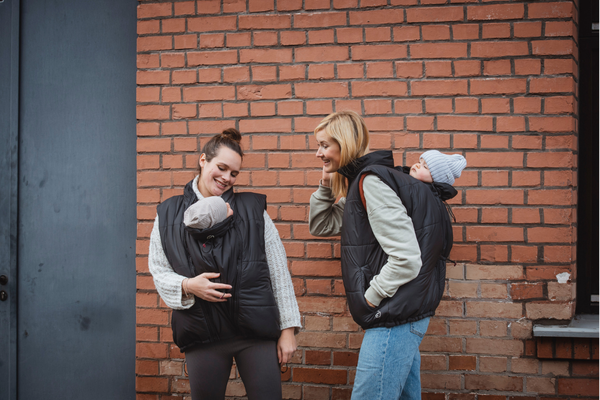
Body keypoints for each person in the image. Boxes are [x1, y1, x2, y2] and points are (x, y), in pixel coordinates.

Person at [308, 111, 463, 400]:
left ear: (344, 143)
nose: (319, 153)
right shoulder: (364, 183)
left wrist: (370, 297)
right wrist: (326, 187)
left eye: (324, 145)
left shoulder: (371, 183)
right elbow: (321, 225)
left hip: (394, 313)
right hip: (405, 310)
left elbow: (406, 258)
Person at [149, 128, 301, 400]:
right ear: (203, 160)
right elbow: (159, 271)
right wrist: (188, 285)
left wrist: (288, 330)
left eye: (234, 173)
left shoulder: (252, 210)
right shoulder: (168, 214)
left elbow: (278, 271)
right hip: (202, 332)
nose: (227, 178)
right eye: (221, 168)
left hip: (254, 333)